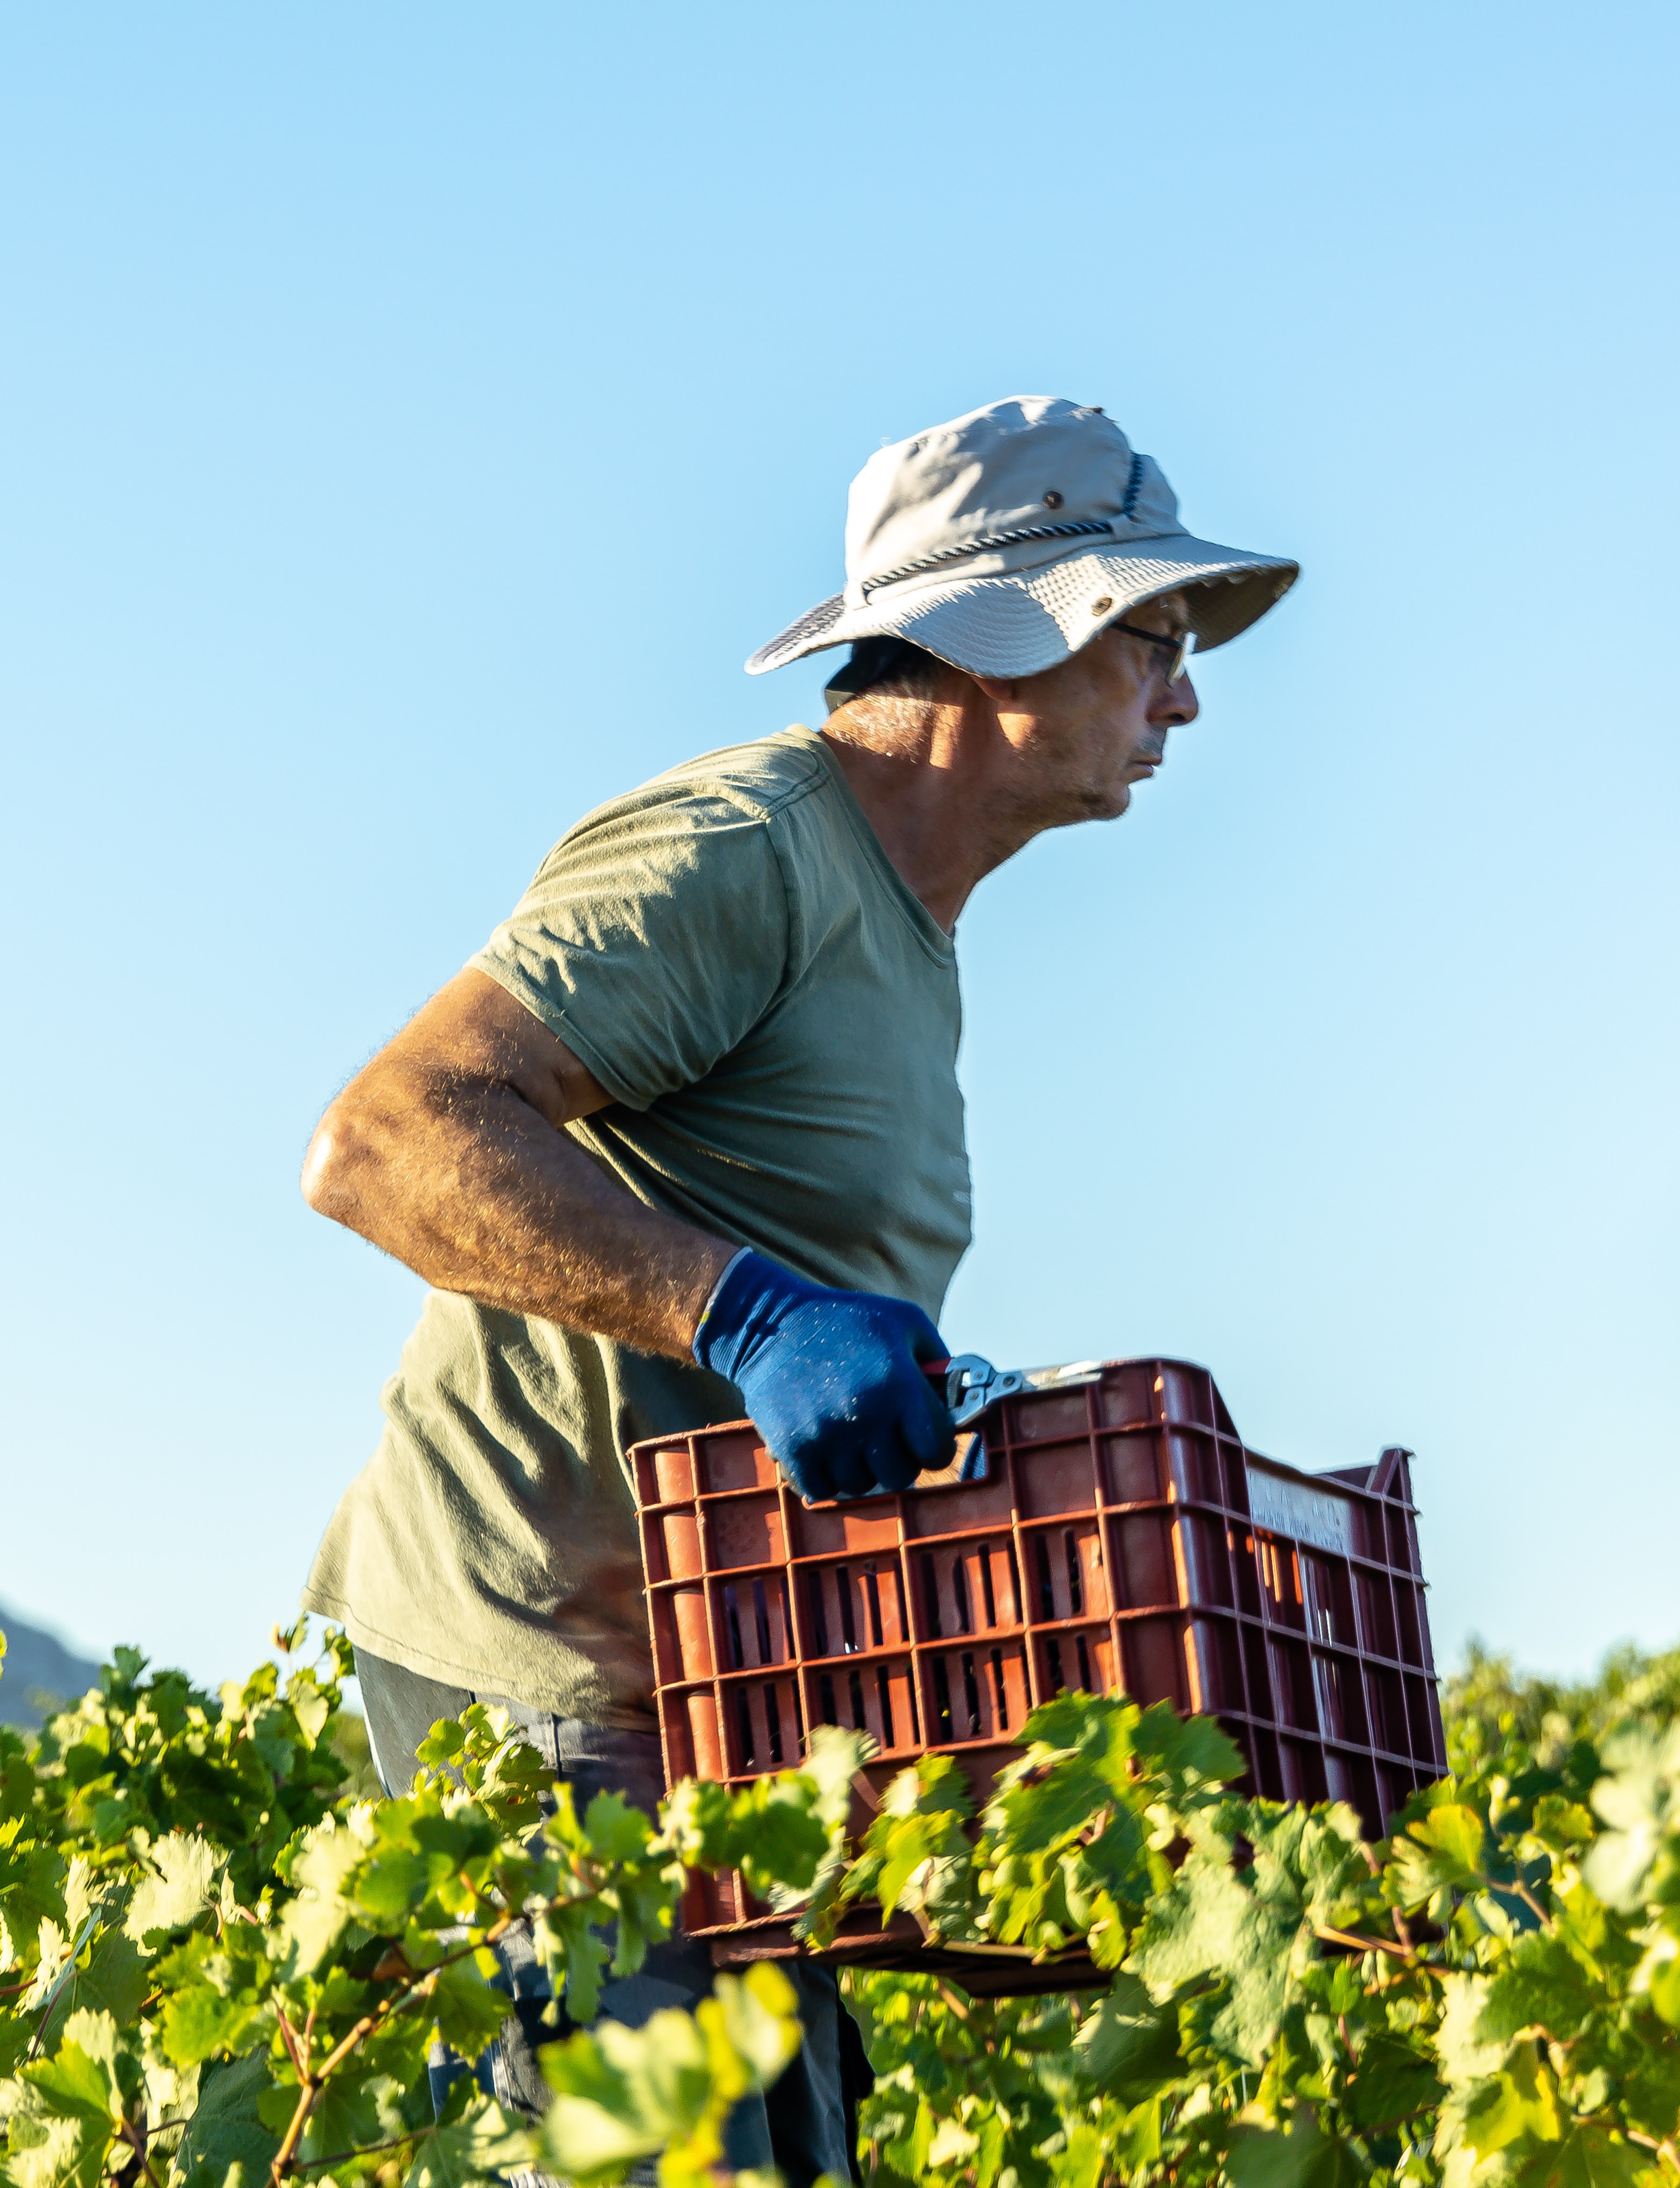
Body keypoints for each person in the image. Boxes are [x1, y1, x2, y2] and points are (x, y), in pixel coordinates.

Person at [296, 394, 1298, 2181]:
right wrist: (742, 1315)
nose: (1188, 694)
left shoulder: (909, 932)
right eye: (1156, 638)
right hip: (542, 1673)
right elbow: (383, 1136)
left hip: (714, 1695)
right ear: (1016, 631)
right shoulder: (743, 853)